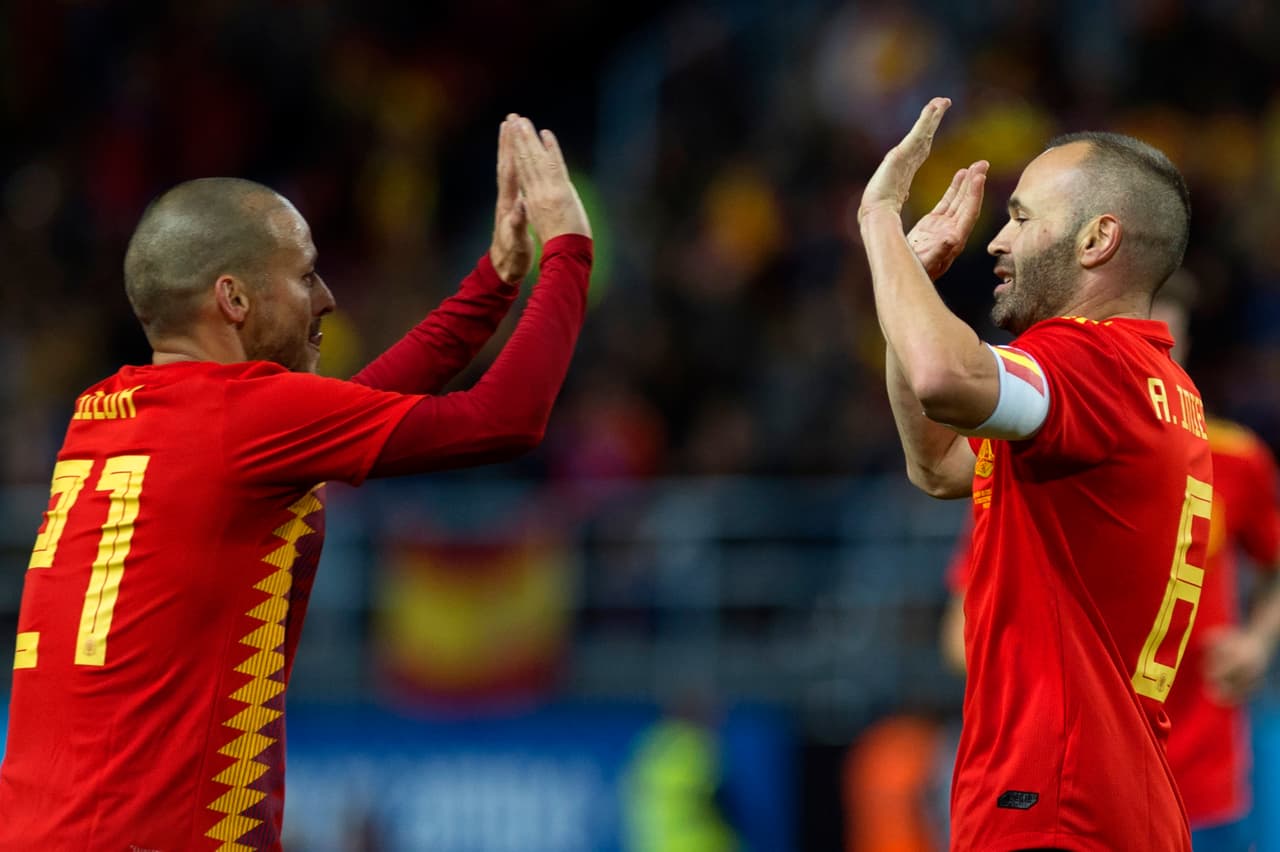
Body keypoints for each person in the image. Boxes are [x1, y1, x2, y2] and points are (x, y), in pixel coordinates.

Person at [0, 114, 593, 851]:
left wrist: (498, 280)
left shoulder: (105, 415)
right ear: (235, 299)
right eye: (306, 274)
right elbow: (506, 418)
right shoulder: (241, 418)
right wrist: (568, 246)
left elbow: (353, 411)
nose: (327, 298)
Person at [858, 97, 1208, 850]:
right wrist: (909, 283)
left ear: (1096, 239)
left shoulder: (1092, 361)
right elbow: (938, 465)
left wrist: (879, 221)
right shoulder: (1159, 388)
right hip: (1116, 796)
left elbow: (944, 379)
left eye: (1020, 217)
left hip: (1053, 798)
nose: (997, 240)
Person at [941, 271, 1280, 851]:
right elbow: (958, 638)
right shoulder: (1037, 470)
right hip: (1080, 775)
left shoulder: (1237, 458)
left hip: (1200, 768)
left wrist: (1259, 641)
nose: (1147, 362)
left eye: (1165, 339)